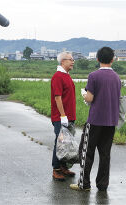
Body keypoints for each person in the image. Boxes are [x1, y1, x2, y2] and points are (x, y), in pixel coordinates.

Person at [70, 47, 121, 191]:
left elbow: (90, 98)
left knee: (86, 152)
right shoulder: (117, 77)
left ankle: (84, 184)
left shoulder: (93, 76)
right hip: (111, 121)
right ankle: (103, 184)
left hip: (95, 120)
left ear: (97, 59)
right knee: (105, 154)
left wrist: (84, 95)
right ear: (112, 59)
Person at [51, 51, 76, 181]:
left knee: (67, 143)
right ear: (62, 61)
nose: (73, 61)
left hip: (70, 115)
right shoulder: (58, 76)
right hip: (61, 117)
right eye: (70, 59)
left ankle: (63, 166)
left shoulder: (67, 75)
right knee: (60, 142)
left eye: (73, 59)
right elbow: (57, 97)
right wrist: (63, 116)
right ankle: (56, 169)